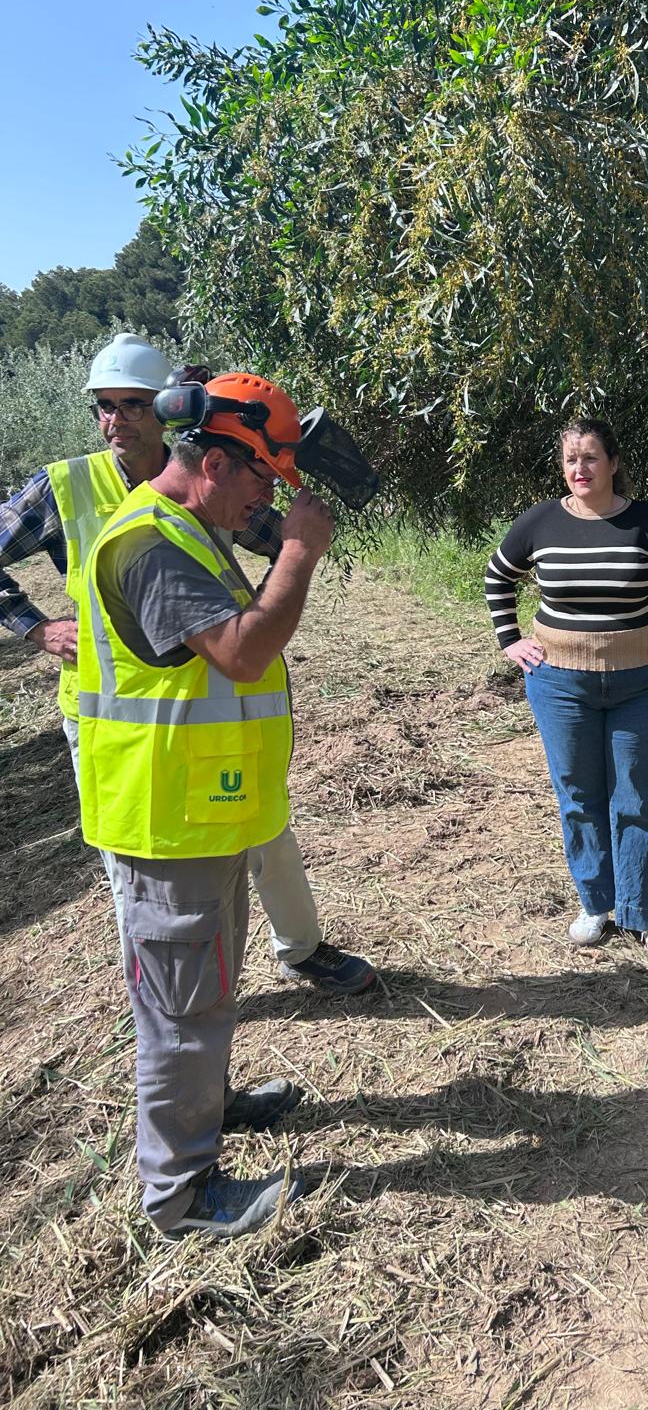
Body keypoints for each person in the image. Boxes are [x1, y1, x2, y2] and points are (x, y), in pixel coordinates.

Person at [0, 334, 375, 994]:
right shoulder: (65, 487)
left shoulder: (208, 479)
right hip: (119, 719)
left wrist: (277, 500)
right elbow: (249, 641)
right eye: (104, 406)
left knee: (262, 831)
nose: (116, 420)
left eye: (133, 404)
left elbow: (268, 532)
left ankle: (298, 949)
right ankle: (166, 990)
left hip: (208, 720)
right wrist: (34, 628)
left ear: (168, 409)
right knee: (142, 877)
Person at [75, 371, 336, 1237]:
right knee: (182, 1009)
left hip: (204, 812)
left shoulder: (187, 527)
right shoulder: (148, 544)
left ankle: (210, 1108)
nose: (269, 499)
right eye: (265, 478)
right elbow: (242, 653)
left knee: (205, 991)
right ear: (217, 461)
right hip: (166, 821)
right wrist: (296, 551)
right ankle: (182, 1194)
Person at [485, 418, 648, 965]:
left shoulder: (646, 522)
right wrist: (510, 640)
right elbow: (497, 576)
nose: (579, 469)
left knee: (639, 796)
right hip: (560, 683)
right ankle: (596, 903)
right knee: (578, 796)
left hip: (643, 680)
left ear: (612, 463)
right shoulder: (540, 521)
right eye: (570, 460)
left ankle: (647, 914)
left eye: (589, 458)